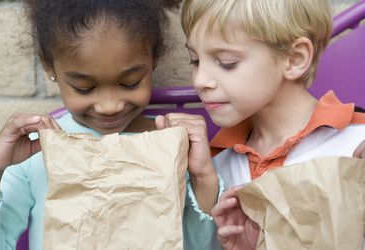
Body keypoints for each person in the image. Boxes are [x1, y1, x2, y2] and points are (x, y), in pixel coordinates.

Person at [0, 0, 212, 249]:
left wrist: (201, 175)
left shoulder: (170, 144)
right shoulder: (35, 153)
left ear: (153, 59)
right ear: (49, 65)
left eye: (130, 82)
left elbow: (204, 244)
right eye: (84, 88)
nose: (109, 106)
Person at [156, 0, 365, 249]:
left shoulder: (356, 147)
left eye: (226, 62)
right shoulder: (215, 165)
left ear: (295, 59)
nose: (200, 81)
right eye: (195, 61)